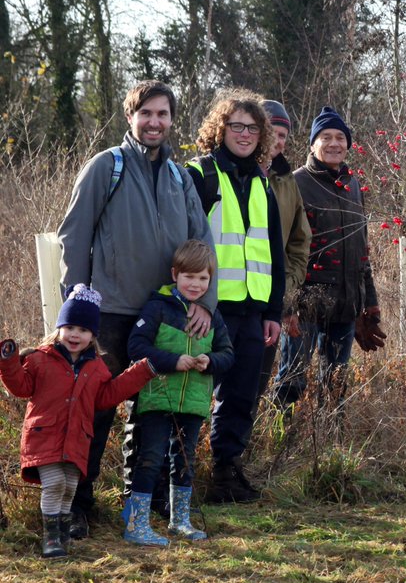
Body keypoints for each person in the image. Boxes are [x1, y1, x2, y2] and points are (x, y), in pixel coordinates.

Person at [57, 80, 215, 538]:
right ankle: (75, 508)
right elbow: (74, 237)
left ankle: (141, 506)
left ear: (171, 120)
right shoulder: (106, 167)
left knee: (152, 411)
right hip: (109, 312)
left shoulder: (180, 176)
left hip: (166, 314)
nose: (155, 122)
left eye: (163, 114)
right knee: (96, 410)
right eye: (146, 113)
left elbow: (201, 241)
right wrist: (77, 310)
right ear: (131, 116)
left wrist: (203, 302)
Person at [0, 286, 155, 558]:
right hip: (44, 436)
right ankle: (51, 539)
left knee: (70, 487)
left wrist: (140, 372)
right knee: (55, 484)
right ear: (59, 328)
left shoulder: (96, 368)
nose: (75, 334)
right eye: (69, 326)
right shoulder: (39, 359)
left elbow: (107, 396)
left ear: (93, 335)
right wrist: (9, 361)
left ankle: (61, 537)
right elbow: (21, 387)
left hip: (77, 439)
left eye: (83, 330)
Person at [186, 91, 285, 504]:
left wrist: (273, 311)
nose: (245, 134)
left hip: (252, 309)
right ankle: (177, 479)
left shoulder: (263, 181)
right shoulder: (198, 175)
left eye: (253, 128)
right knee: (192, 392)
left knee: (242, 394)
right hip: (209, 307)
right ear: (220, 129)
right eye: (236, 126)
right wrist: (192, 301)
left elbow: (274, 253)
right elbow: (183, 244)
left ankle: (226, 473)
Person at [275, 107, 384, 411]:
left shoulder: (353, 186)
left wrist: (368, 302)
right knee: (292, 379)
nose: (334, 143)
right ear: (312, 144)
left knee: (335, 383)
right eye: (325, 137)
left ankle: (329, 444)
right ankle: (277, 441)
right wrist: (288, 306)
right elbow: (283, 248)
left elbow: (362, 250)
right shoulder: (295, 183)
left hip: (346, 305)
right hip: (306, 304)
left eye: (340, 137)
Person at [126, 241, 236, 545]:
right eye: (189, 277)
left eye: (203, 278)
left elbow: (228, 353)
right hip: (158, 397)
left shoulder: (213, 317)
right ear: (175, 274)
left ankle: (180, 521)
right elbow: (136, 347)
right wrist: (172, 361)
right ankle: (137, 524)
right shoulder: (157, 307)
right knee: (149, 458)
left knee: (184, 460)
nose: (195, 284)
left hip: (194, 402)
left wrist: (209, 362)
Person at [256, 101, 311, 408]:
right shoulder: (230, 173)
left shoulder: (288, 181)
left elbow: (300, 241)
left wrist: (288, 290)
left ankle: (241, 454)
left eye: (283, 136)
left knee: (257, 385)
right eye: (272, 132)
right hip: (232, 302)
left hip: (273, 302)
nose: (277, 142)